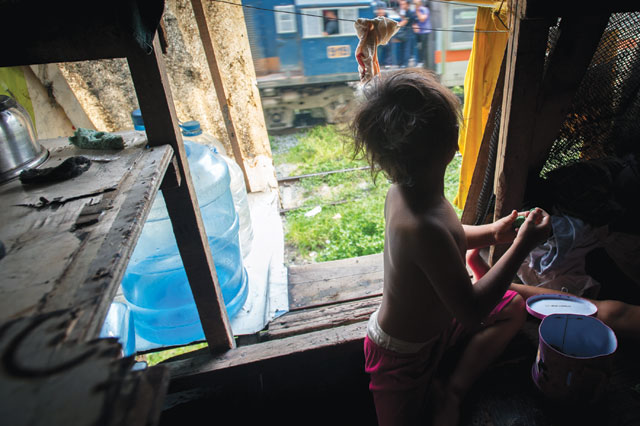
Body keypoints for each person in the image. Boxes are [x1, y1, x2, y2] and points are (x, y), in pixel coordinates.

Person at [351, 69, 552, 426]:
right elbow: (472, 312)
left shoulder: (409, 193)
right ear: (453, 146)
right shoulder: (421, 225)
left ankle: (452, 389)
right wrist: (521, 247)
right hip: (401, 356)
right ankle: (448, 390)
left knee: (513, 307)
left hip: (441, 329)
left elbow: (451, 234)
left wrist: (493, 233)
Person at [412, 0, 433, 69]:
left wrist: (417, 11)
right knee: (418, 47)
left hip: (425, 31)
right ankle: (418, 61)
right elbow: (413, 20)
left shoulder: (424, 9)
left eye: (416, 3)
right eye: (414, 3)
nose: (415, 5)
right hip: (418, 32)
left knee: (423, 48)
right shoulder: (414, 10)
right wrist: (414, 25)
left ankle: (423, 62)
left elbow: (422, 19)